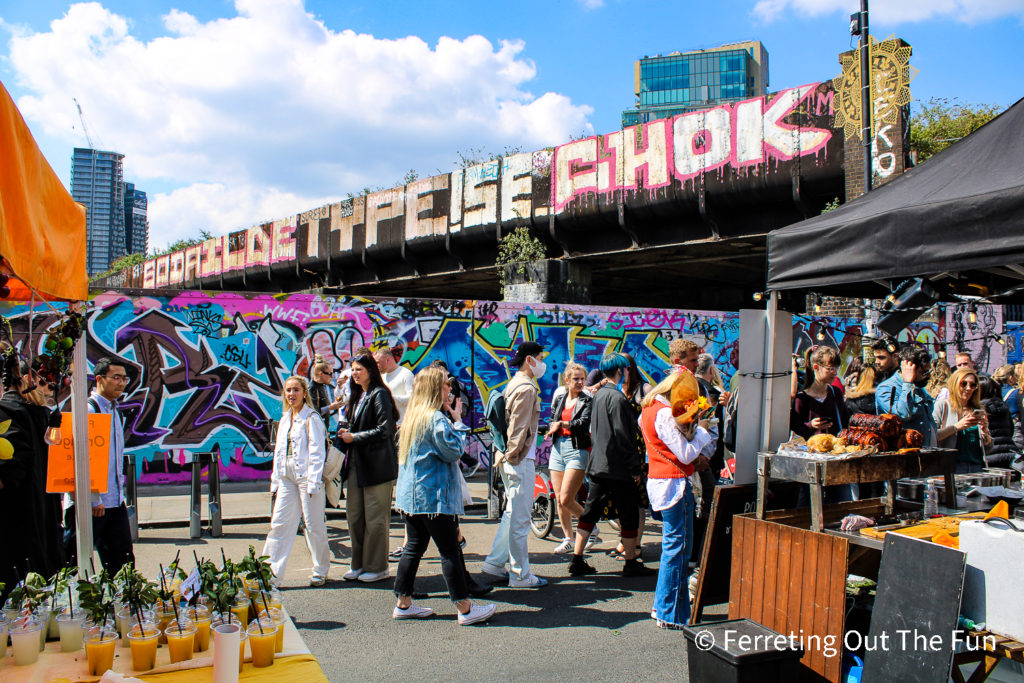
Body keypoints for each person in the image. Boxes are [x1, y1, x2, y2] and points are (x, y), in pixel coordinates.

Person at [391, 367, 496, 625]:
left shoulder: (413, 417)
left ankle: (403, 603)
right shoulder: (435, 419)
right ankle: (465, 608)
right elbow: (452, 452)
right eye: (445, 386)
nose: (450, 390)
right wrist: (458, 422)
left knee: (413, 548)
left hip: (411, 497)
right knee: (449, 551)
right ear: (435, 389)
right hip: (433, 498)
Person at [567, 354, 655, 578]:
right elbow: (623, 436)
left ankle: (577, 558)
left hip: (598, 464)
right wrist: (635, 468)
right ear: (620, 371)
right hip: (618, 467)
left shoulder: (599, 395)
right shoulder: (618, 399)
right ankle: (631, 561)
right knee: (629, 514)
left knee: (590, 512)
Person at [639, 370, 712, 629]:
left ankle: (666, 607)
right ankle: (669, 613)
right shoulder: (661, 413)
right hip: (674, 484)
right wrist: (702, 432)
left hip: (663, 481)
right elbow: (684, 453)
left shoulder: (649, 409)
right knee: (677, 550)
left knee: (675, 548)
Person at [482, 341, 548, 588]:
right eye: (540, 357)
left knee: (512, 515)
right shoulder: (527, 388)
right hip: (519, 460)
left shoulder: (514, 384)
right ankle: (520, 575)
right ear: (529, 360)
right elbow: (519, 430)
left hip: (511, 459)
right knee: (520, 520)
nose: (543, 362)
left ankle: (495, 562)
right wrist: (513, 456)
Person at [262, 376, 332, 586]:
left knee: (313, 525)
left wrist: (313, 482)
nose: (291, 394)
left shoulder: (312, 418)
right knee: (279, 525)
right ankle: (271, 573)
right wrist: (275, 481)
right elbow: (279, 452)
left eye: (295, 390)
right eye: (288, 391)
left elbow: (318, 452)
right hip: (286, 478)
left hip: (306, 478)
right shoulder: (284, 419)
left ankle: (321, 569)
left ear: (304, 393)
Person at [339, 354, 399, 582]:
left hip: (377, 465)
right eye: (353, 369)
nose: (354, 374)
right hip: (356, 463)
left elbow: (385, 430)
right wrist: (346, 432)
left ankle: (377, 566)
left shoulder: (379, 394)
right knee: (354, 515)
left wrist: (354, 437)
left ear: (371, 370)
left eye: (359, 369)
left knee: (375, 518)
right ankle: (359, 563)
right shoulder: (358, 396)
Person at [0, 347, 52, 601]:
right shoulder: (38, 411)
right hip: (40, 522)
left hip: (13, 529)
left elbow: (9, 474)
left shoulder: (9, 412)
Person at [85, 357, 136, 575]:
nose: (121, 382)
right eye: (116, 377)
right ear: (99, 379)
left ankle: (121, 604)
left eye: (124, 378)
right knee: (76, 560)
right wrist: (93, 497)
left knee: (123, 561)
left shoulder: (114, 411)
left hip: (114, 500)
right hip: (94, 502)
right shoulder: (89, 410)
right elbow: (83, 457)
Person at [545, 362, 592, 553]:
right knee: (559, 499)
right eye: (576, 379)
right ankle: (568, 538)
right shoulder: (560, 396)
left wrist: (562, 424)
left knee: (566, 498)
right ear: (567, 380)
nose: (580, 382)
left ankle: (591, 525)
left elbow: (583, 423)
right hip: (558, 448)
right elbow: (552, 419)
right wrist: (554, 426)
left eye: (582, 379)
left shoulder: (587, 400)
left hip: (577, 448)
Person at [875, 346, 937, 446]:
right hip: (905, 456)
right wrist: (907, 382)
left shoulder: (918, 387)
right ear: (909, 369)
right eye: (923, 372)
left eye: (928, 371)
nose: (928, 376)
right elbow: (902, 415)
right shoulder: (885, 388)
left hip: (925, 453)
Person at [934, 367, 992, 473]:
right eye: (963, 383)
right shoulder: (943, 406)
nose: (968, 388)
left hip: (977, 467)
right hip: (952, 466)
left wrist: (985, 432)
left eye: (972, 385)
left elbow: (988, 448)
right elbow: (932, 436)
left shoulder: (977, 409)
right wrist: (957, 427)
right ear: (954, 384)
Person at [790, 346, 849, 439]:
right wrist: (811, 425)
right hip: (810, 451)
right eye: (830, 368)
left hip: (835, 450)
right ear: (816, 367)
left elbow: (845, 423)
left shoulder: (836, 392)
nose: (835, 372)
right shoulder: (801, 398)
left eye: (836, 368)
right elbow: (795, 431)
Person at [979, 377, 1019, 468]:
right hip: (1009, 453)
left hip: (990, 455)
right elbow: (1011, 429)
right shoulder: (1003, 406)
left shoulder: (979, 409)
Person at [373, 347, 414, 421]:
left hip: (402, 424)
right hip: (386, 424)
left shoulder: (406, 374)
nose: (376, 366)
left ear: (387, 360)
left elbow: (412, 399)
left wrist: (389, 398)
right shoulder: (382, 376)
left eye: (377, 362)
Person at [992, 364, 1024, 450]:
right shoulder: (1017, 393)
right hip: (1014, 427)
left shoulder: (993, 391)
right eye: (1015, 376)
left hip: (997, 428)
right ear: (1011, 377)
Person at [309, 357, 344, 431]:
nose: (331, 377)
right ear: (320, 373)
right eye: (330, 374)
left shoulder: (321, 386)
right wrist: (330, 407)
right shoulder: (312, 389)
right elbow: (314, 412)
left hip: (322, 431)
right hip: (315, 432)